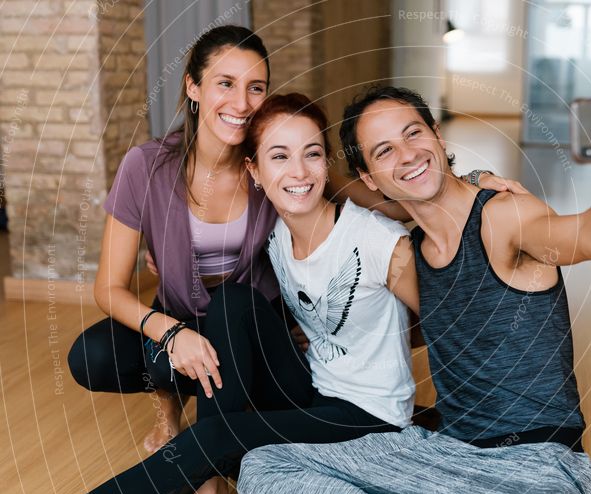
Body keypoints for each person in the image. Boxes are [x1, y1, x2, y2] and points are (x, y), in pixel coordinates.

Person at [236, 84, 591, 494]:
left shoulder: (502, 218)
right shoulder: (410, 249)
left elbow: (587, 234)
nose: (407, 155)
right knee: (262, 466)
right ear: (369, 178)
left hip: (534, 465)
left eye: (413, 133)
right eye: (383, 151)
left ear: (438, 136)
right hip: (441, 456)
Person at [21, 92, 425, 494]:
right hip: (311, 387)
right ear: (254, 170)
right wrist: (163, 259)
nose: (298, 172)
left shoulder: (380, 241)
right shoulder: (275, 236)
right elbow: (218, 264)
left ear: (327, 161)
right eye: (279, 156)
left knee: (213, 436)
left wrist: (382, 348)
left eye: (312, 154)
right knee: (233, 298)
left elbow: (444, 322)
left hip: (367, 416)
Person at [66, 25, 412, 453]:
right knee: (92, 357)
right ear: (193, 86)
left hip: (248, 319)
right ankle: (171, 406)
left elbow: (389, 204)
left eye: (256, 88)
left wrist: (468, 187)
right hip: (178, 313)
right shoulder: (146, 165)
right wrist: (170, 333)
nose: (242, 103)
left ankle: (227, 417)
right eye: (225, 84)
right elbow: (108, 288)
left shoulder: (275, 163)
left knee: (230, 305)